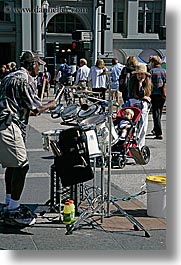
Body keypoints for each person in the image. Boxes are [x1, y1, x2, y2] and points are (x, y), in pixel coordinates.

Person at [0, 51, 57, 227]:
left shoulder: (9, 77)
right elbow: (36, 107)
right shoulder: (25, 80)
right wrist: (51, 104)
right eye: (38, 64)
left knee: (12, 165)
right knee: (22, 166)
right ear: (32, 64)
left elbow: (26, 106)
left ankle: (10, 203)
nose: (39, 68)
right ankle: (13, 210)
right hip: (10, 125)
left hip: (4, 124)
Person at [128, 63, 152, 148]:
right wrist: (140, 85)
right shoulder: (133, 81)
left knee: (143, 127)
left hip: (143, 106)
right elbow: (134, 94)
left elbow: (145, 94)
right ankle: (131, 145)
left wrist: (141, 84)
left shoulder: (147, 82)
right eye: (138, 74)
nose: (140, 76)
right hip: (134, 104)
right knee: (133, 126)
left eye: (142, 74)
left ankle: (140, 146)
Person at [149, 55, 166, 140]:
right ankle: (156, 129)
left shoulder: (151, 71)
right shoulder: (165, 71)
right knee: (159, 112)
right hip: (163, 94)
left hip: (154, 94)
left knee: (156, 113)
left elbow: (149, 84)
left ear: (153, 63)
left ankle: (158, 133)